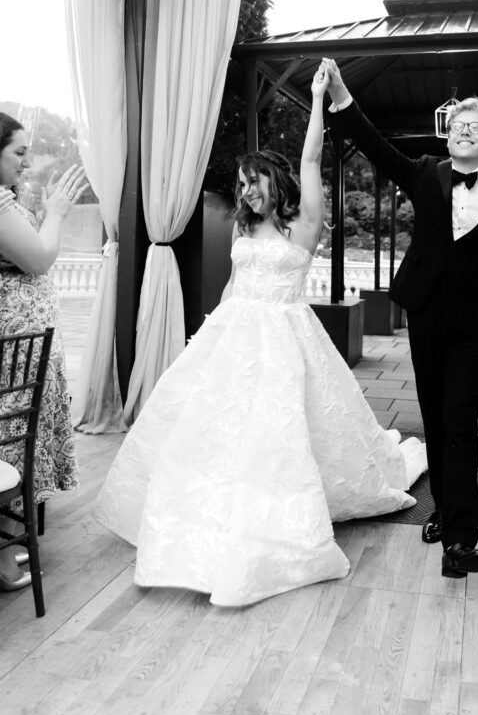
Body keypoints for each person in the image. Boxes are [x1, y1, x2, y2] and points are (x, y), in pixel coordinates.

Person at [94, 64, 427, 608]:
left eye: (255, 182)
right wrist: (210, 337)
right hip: (233, 334)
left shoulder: (304, 225)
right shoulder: (244, 229)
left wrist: (319, 100)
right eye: (241, 184)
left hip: (285, 338)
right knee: (212, 428)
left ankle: (273, 520)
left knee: (280, 430)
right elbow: (234, 285)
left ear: (277, 182)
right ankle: (205, 516)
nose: (246, 192)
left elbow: (313, 158)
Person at [323, 58, 478, 580]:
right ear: (449, 137)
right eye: (457, 127)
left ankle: (461, 542)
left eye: (475, 127)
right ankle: (443, 507)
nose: (465, 133)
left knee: (460, 422)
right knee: (437, 418)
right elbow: (372, 144)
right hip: (425, 315)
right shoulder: (422, 173)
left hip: (475, 325)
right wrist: (343, 95)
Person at [0, 112, 87, 591]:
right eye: (18, 151)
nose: (26, 161)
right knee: (14, 434)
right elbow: (37, 258)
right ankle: (7, 554)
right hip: (15, 346)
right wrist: (55, 214)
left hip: (20, 339)